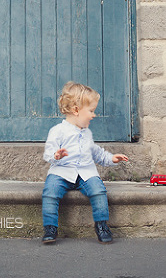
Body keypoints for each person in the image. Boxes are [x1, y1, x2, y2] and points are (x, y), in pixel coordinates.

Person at [41, 81, 129, 244]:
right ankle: (50, 227)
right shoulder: (58, 131)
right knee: (50, 192)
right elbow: (48, 153)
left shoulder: (87, 133)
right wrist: (56, 155)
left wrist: (111, 158)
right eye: (91, 111)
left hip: (85, 173)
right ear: (76, 111)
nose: (93, 115)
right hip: (61, 172)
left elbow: (96, 152)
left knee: (98, 190)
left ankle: (101, 225)